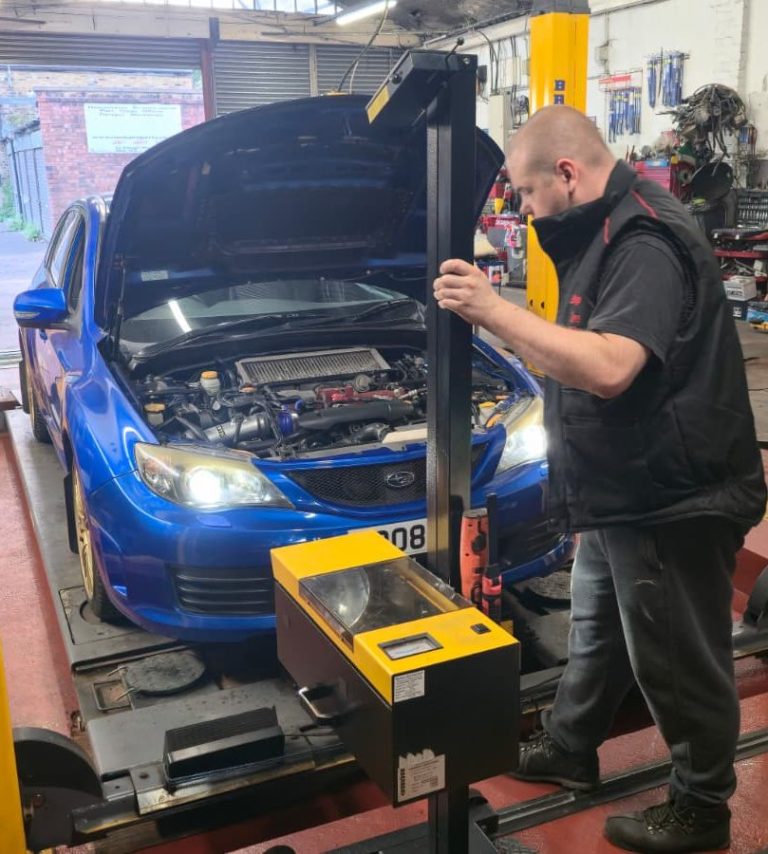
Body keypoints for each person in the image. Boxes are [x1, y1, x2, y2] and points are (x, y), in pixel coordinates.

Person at [433, 105, 767, 854]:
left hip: (673, 497)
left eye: (525, 193)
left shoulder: (643, 237)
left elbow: (612, 366)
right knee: (597, 624)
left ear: (566, 173)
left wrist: (491, 312)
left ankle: (702, 806)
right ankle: (570, 745)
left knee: (676, 659)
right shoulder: (602, 228)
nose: (522, 210)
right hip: (622, 485)